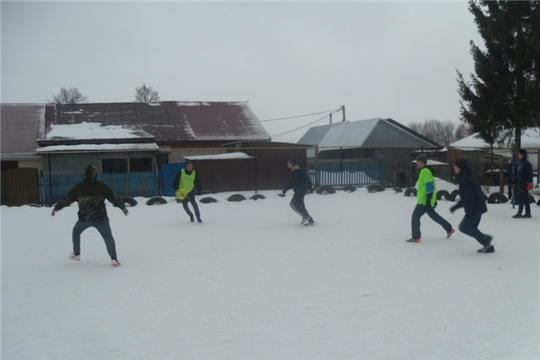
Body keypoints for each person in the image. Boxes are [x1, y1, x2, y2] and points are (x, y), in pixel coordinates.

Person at [51, 164, 128, 267]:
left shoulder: (79, 188)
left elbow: (67, 199)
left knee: (76, 232)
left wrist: (57, 207)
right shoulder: (101, 186)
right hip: (101, 219)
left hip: (84, 219)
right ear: (95, 174)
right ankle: (114, 259)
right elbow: (113, 198)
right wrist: (122, 207)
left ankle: (76, 253)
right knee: (108, 237)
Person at [406, 154, 454, 243]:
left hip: (424, 201)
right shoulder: (424, 171)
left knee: (415, 217)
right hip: (426, 200)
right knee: (434, 216)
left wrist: (428, 199)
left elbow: (429, 186)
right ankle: (449, 229)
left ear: (422, 162)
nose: (416, 162)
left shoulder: (425, 171)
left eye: (418, 161)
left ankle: (415, 237)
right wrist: (432, 199)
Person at [449, 158, 494, 253]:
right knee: (472, 228)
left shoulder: (464, 179)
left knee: (464, 227)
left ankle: (485, 238)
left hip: (475, 208)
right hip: (478, 207)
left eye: (455, 166)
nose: (453, 168)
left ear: (460, 167)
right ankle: (487, 245)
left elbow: (469, 198)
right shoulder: (467, 177)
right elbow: (466, 197)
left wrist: (469, 212)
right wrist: (457, 206)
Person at [282, 159, 314, 226]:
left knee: (293, 204)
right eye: (287, 165)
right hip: (299, 190)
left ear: (293, 165)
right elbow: (292, 183)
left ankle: (305, 216)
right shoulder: (294, 172)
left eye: (289, 164)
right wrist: (286, 189)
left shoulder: (297, 171)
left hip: (300, 190)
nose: (288, 166)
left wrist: (310, 187)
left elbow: (307, 178)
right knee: (300, 205)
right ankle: (310, 220)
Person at [513, 149, 533, 218]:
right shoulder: (520, 163)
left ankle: (519, 213)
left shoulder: (526, 163)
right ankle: (528, 213)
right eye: (518, 154)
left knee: (521, 198)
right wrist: (516, 179)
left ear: (524, 155)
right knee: (525, 198)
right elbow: (519, 173)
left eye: (520, 154)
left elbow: (530, 173)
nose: (519, 155)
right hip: (520, 182)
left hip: (525, 183)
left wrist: (528, 182)